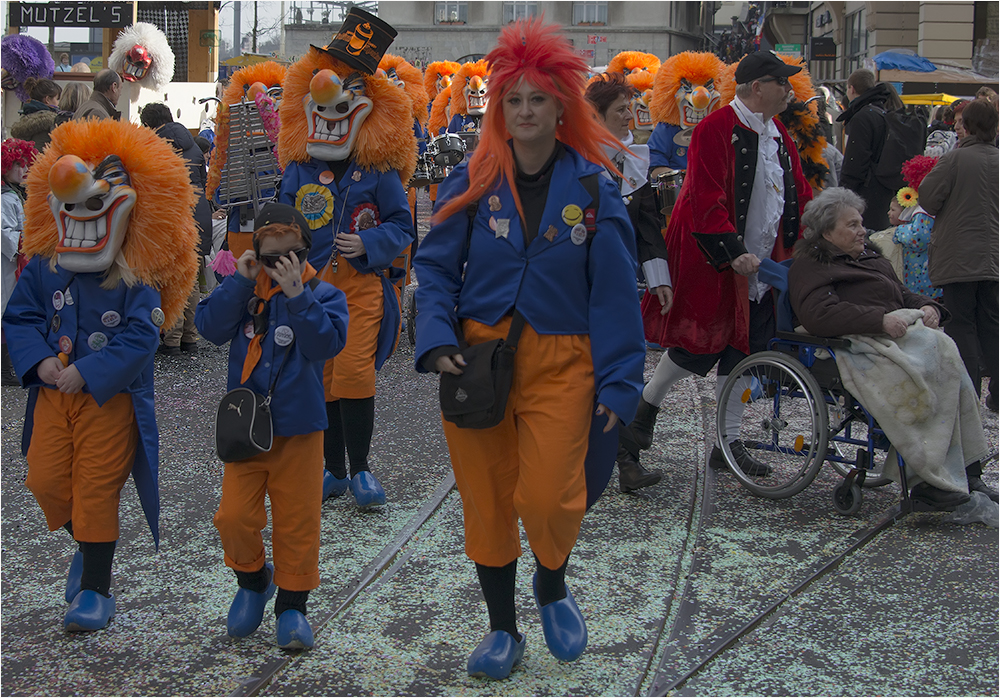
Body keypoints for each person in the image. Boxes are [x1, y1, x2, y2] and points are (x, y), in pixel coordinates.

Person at [414, 18, 645, 680]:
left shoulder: (596, 188)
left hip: (564, 361)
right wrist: (434, 340)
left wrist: (621, 380)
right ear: (498, 106)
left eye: (536, 100)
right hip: (478, 363)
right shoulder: (470, 178)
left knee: (548, 497)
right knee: (486, 499)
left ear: (560, 105)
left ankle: (551, 580)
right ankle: (502, 628)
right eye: (511, 100)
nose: (523, 112)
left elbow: (614, 291)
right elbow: (433, 270)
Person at [2, 118, 199, 632]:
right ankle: (89, 549)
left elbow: (141, 337)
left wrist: (88, 372)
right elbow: (20, 316)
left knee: (94, 490)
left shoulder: (138, 274)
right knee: (45, 481)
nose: (81, 212)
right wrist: (39, 360)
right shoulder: (46, 264)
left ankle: (96, 589)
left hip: (109, 401)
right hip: (52, 397)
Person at [634, 50, 813, 478]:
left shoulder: (778, 134)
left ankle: (728, 443)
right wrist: (733, 252)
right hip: (712, 260)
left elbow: (800, 194)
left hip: (763, 268)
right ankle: (643, 413)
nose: (789, 90)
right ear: (757, 87)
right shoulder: (715, 129)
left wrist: (818, 234)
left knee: (745, 353)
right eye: (781, 82)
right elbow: (704, 199)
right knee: (696, 349)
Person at [277, 8, 416, 510]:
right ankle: (333, 470)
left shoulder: (379, 174)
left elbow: (404, 227)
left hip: (360, 286)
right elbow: (282, 224)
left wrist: (370, 243)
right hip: (312, 289)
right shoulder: (298, 171)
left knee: (354, 373)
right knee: (324, 379)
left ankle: (360, 469)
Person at [195, 203, 348, 649]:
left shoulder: (323, 293)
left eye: (293, 255)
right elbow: (209, 328)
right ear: (256, 256)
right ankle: (252, 579)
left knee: (297, 522)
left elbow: (327, 343)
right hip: (246, 428)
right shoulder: (247, 290)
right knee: (233, 515)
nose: (283, 265)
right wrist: (240, 281)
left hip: (299, 430)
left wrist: (299, 296)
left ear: (306, 251)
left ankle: (292, 608)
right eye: (271, 258)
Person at [787, 187, 995, 506]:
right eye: (852, 225)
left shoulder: (868, 254)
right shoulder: (812, 263)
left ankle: (968, 472)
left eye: (860, 223)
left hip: (889, 334)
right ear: (827, 232)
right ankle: (927, 480)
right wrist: (879, 320)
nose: (862, 230)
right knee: (920, 382)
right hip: (850, 343)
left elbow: (899, 293)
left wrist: (929, 307)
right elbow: (818, 314)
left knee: (952, 369)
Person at [584, 71, 668, 493]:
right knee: (595, 373)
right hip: (580, 288)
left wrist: (659, 278)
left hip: (621, 286)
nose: (629, 118)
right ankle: (614, 458)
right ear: (595, 116)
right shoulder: (574, 161)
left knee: (624, 365)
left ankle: (626, 458)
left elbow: (649, 223)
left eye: (632, 109)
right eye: (620, 111)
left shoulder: (635, 161)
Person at [919, 99, 999, 412]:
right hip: (993, 255)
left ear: (968, 126)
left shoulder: (955, 160)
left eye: (960, 121)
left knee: (961, 324)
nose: (955, 125)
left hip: (958, 255)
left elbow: (928, 198)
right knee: (991, 323)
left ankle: (967, 394)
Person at [139, 102, 213, 356]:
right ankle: (189, 337)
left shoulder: (155, 147)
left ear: (149, 125)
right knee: (191, 276)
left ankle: (171, 339)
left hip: (173, 217)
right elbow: (203, 183)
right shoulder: (192, 145)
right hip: (199, 215)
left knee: (171, 277)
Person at [837, 71, 897, 229]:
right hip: (882, 190)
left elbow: (855, 161)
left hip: (865, 193)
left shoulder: (862, 117)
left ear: (851, 89)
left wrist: (844, 193)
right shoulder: (880, 112)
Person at [1, 138, 38, 385]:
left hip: (16, 263)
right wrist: (25, 240)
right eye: (19, 165)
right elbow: (4, 231)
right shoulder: (5, 197)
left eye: (26, 164)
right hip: (9, 265)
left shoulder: (16, 193)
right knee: (6, 310)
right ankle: (4, 369)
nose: (24, 170)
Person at [10, 77, 65, 150]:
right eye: (57, 99)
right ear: (47, 99)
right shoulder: (52, 122)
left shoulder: (25, 119)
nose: (58, 103)